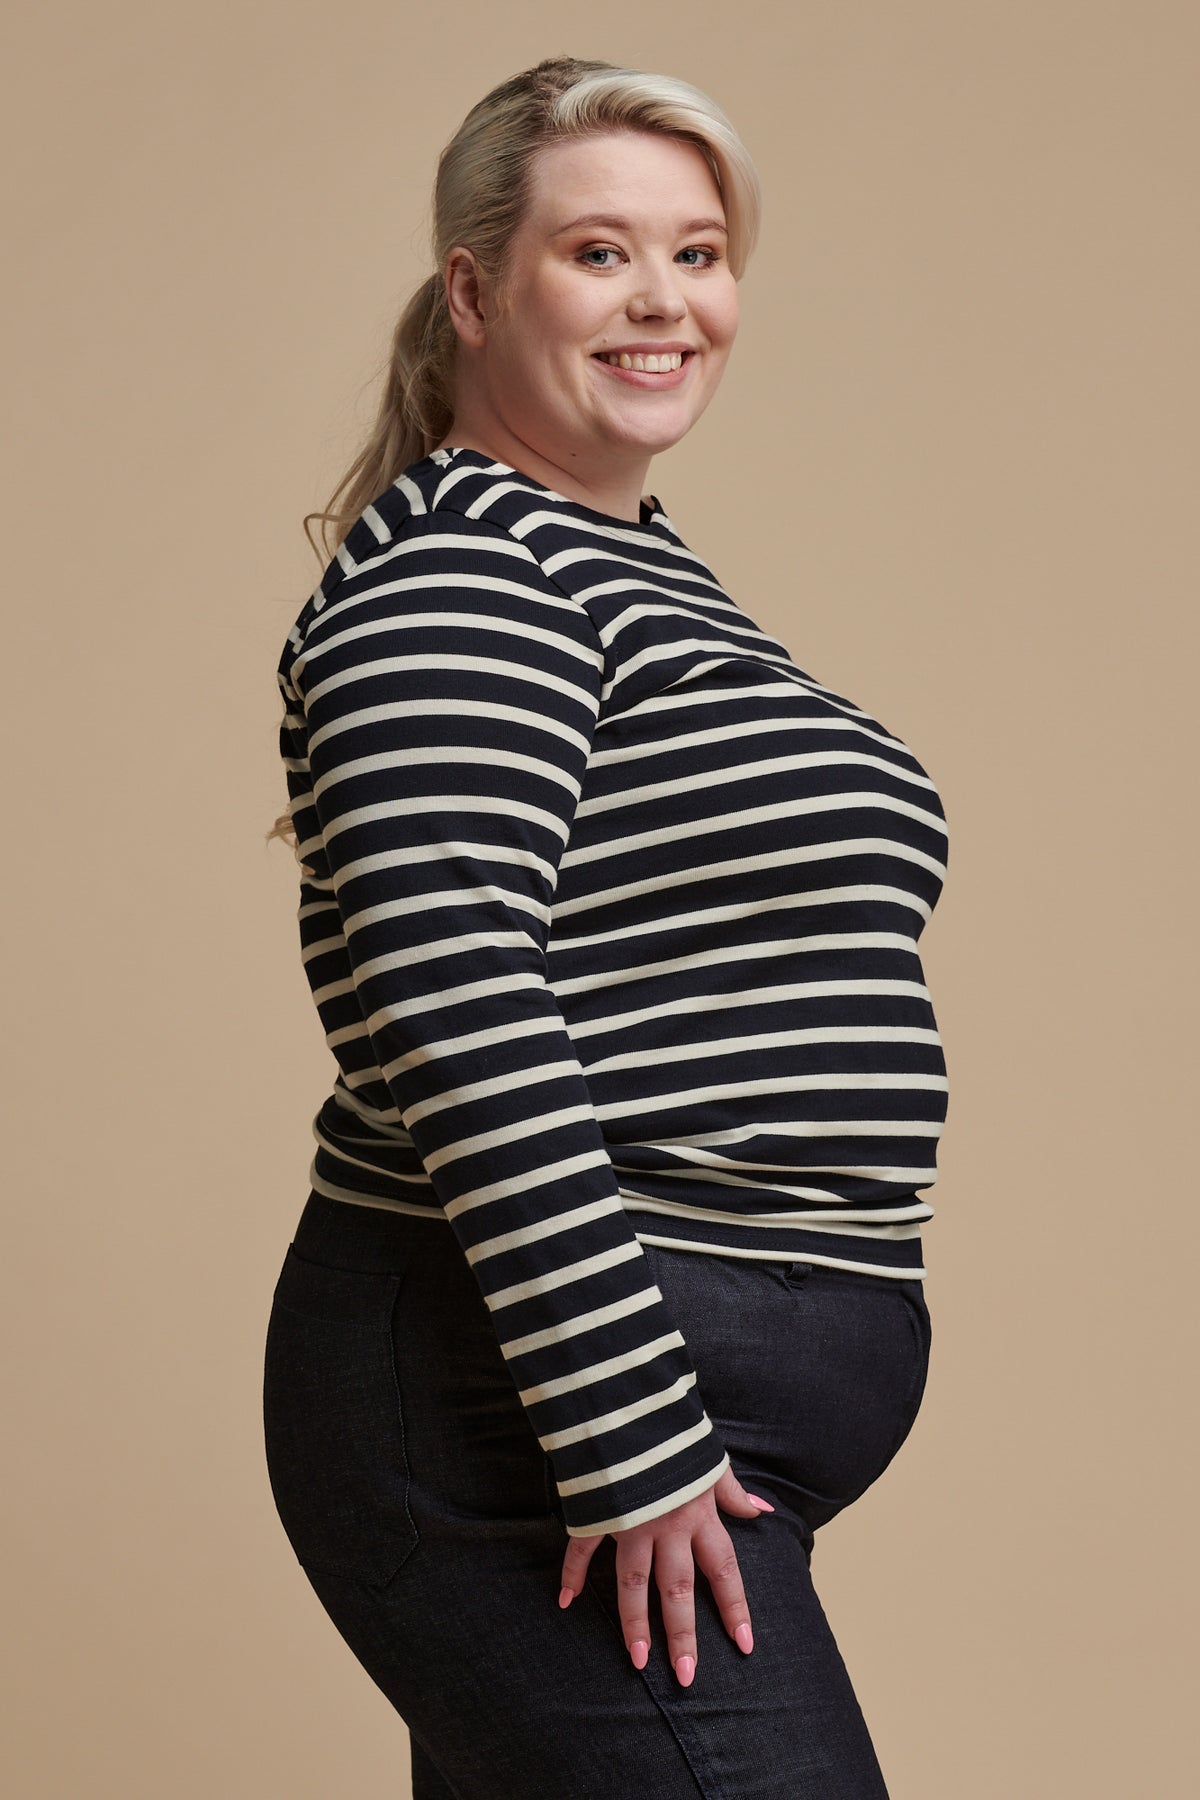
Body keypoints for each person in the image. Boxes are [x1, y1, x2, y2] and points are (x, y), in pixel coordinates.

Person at [261, 54, 947, 1800]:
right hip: (537, 1418)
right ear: (477, 287)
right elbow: (459, 1006)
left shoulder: (635, 569)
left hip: (628, 1414)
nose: (664, 303)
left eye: (699, 254)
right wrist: (634, 1439)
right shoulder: (463, 573)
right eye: (601, 254)